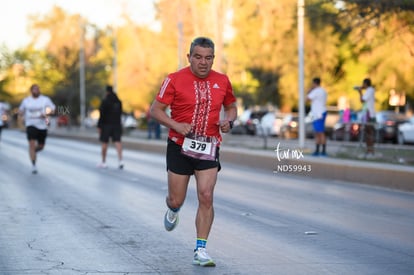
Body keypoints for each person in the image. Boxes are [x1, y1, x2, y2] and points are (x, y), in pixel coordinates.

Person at [150, 37, 237, 267]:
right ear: (189, 57)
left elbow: (231, 106)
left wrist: (229, 120)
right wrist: (176, 125)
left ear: (213, 59)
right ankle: (173, 209)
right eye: (198, 57)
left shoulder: (222, 80)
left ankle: (201, 249)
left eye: (208, 58)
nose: (203, 62)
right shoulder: (174, 79)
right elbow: (155, 110)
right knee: (176, 198)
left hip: (209, 146)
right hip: (179, 146)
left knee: (206, 196)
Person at [18, 84, 56, 174]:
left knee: (41, 146)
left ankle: (33, 151)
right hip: (30, 124)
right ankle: (33, 165)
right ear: (31, 91)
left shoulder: (45, 99)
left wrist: (46, 114)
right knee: (31, 143)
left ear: (39, 90)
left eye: (37, 89)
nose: (36, 90)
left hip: (42, 125)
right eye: (34, 89)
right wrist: (21, 114)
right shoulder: (26, 101)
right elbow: (21, 110)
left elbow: (53, 109)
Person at [97, 85, 124, 169]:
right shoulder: (118, 101)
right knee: (118, 142)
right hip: (117, 124)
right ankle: (120, 161)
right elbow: (120, 114)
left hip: (106, 125)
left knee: (105, 142)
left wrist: (99, 126)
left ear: (107, 91)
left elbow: (102, 115)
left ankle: (103, 162)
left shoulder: (105, 101)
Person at [307, 77, 327, 156]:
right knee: (318, 132)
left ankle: (322, 152)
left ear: (314, 83)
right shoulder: (323, 91)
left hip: (318, 114)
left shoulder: (316, 91)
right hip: (320, 113)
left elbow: (307, 99)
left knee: (320, 132)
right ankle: (318, 150)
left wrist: (309, 91)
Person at [356, 78, 376, 157]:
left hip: (370, 115)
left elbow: (362, 100)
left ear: (366, 84)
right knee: (367, 134)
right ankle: (368, 151)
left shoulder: (370, 90)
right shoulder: (370, 91)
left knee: (369, 134)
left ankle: (371, 151)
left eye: (363, 84)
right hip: (367, 114)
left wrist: (360, 92)